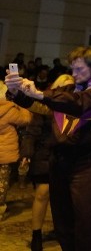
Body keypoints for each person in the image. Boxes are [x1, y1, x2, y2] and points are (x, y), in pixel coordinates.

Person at [5, 46, 91, 251]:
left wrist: (39, 94)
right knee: (63, 222)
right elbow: (43, 104)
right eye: (72, 69)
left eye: (80, 69)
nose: (74, 75)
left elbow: (78, 103)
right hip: (59, 161)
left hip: (86, 163)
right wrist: (17, 92)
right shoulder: (69, 90)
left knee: (86, 222)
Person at [19, 74, 75, 251]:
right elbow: (32, 131)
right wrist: (26, 154)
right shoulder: (44, 102)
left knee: (63, 197)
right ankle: (37, 233)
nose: (67, 91)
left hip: (65, 155)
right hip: (44, 153)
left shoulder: (74, 103)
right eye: (64, 88)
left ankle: (64, 231)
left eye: (71, 88)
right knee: (42, 193)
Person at [0, 77, 33, 221]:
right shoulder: (8, 109)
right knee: (2, 182)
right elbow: (26, 119)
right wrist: (22, 107)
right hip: (5, 152)